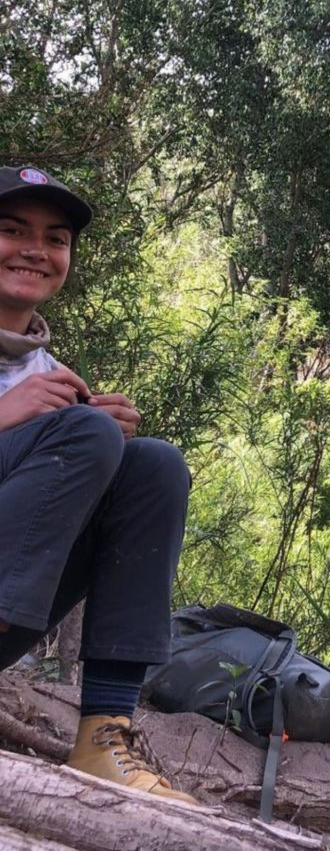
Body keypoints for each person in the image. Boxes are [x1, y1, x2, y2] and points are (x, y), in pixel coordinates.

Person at [0, 165, 195, 803]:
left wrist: (98, 443)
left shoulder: (50, 372)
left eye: (55, 238)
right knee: (88, 435)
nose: (36, 248)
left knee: (153, 464)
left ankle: (103, 732)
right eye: (10, 229)